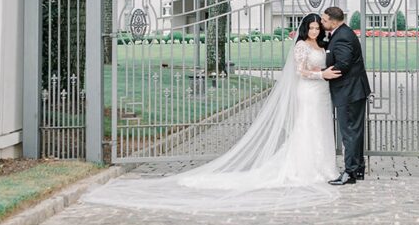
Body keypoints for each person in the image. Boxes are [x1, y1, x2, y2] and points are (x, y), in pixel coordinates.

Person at [82, 14, 341, 212]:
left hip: (321, 95)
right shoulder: (300, 48)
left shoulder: (322, 45)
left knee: (320, 127)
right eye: (311, 27)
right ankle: (305, 168)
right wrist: (322, 74)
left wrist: (325, 74)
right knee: (307, 128)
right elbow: (299, 72)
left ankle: (324, 167)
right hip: (308, 91)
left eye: (318, 27)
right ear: (305, 28)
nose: (315, 30)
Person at [320, 6, 372, 185]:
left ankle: (350, 172)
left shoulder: (342, 36)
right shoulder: (342, 33)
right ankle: (356, 169)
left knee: (349, 132)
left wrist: (321, 73)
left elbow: (343, 64)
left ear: (334, 21)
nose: (322, 23)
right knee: (354, 132)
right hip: (354, 91)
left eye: (324, 20)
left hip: (349, 91)